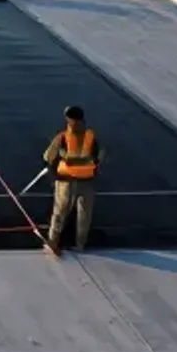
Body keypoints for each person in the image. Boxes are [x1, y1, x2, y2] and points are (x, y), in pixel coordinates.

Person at [42, 105, 105, 255]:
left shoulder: (66, 137)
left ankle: (64, 242)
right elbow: (100, 156)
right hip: (77, 181)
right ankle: (67, 242)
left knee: (70, 212)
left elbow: (48, 157)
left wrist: (55, 173)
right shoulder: (84, 137)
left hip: (74, 181)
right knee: (74, 213)